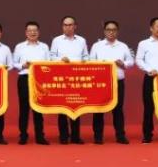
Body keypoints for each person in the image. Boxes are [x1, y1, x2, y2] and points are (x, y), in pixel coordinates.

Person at [89, 20, 133, 144]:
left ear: (117, 31)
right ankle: (98, 136)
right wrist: (100, 65)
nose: (111, 32)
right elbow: (91, 62)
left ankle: (120, 136)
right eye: (108, 30)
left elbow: (131, 62)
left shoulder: (123, 46)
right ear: (104, 31)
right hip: (101, 83)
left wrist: (123, 64)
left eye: (114, 30)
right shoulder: (97, 46)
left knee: (118, 110)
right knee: (99, 109)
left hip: (118, 82)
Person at [50, 16, 88, 144]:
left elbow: (86, 56)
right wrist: (60, 60)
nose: (68, 27)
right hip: (61, 79)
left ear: (75, 26)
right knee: (62, 108)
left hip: (77, 78)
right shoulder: (56, 40)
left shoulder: (81, 40)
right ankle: (63, 136)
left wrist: (84, 62)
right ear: (62, 27)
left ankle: (76, 136)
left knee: (76, 107)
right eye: (65, 25)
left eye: (70, 25)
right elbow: (51, 57)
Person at [12, 21, 50, 145]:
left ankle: (40, 136)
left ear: (38, 32)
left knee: (38, 108)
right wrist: (23, 65)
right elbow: (14, 64)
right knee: (24, 108)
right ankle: (23, 135)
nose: (32, 33)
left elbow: (49, 63)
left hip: (39, 79)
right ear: (26, 33)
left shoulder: (44, 47)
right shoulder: (19, 47)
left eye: (35, 30)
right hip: (24, 78)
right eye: (30, 30)